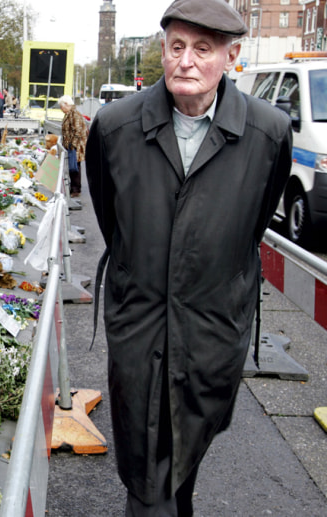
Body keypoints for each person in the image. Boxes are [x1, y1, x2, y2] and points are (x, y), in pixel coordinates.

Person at [84, 0, 292, 514]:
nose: (187, 61)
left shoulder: (267, 133)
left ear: (231, 56)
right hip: (142, 326)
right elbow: (112, 218)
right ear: (163, 50)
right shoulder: (115, 127)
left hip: (211, 333)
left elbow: (254, 222)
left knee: (183, 461)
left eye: (203, 49)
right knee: (148, 475)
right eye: (177, 47)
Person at [59, 95, 87, 197]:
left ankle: (76, 189)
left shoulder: (74, 114)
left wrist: (72, 144)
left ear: (66, 104)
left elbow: (77, 130)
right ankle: (73, 188)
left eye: (61, 107)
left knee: (75, 167)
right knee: (74, 166)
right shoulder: (70, 113)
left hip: (75, 146)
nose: (61, 109)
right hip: (72, 145)